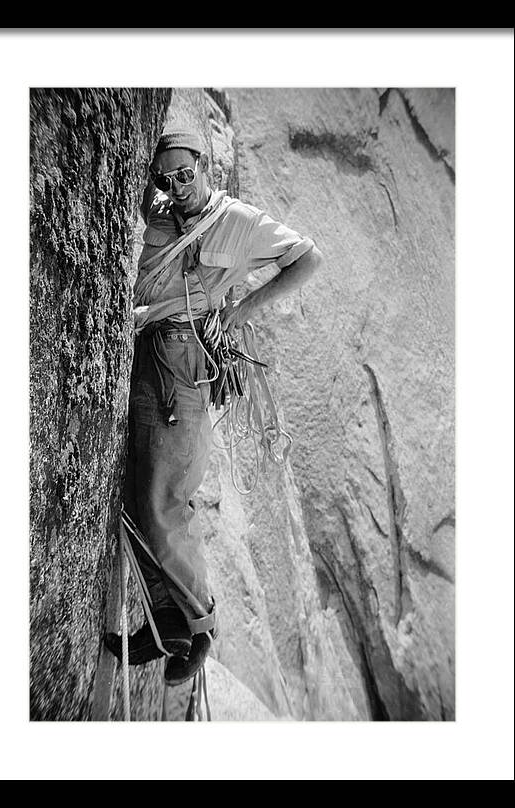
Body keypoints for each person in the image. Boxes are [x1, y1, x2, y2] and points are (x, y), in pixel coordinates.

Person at [105, 127, 324, 685]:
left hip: (183, 361)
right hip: (149, 350)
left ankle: (199, 627)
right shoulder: (158, 217)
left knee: (165, 498)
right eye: (166, 179)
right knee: (136, 489)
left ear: (205, 167)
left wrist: (243, 310)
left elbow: (307, 258)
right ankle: (166, 622)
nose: (177, 186)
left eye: (186, 174)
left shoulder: (238, 221)